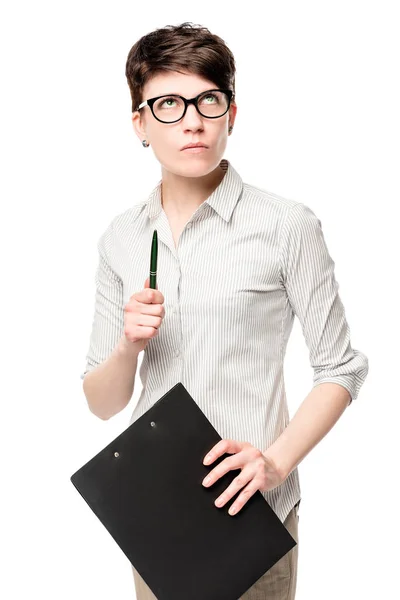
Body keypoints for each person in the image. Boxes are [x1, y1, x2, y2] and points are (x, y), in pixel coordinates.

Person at [81, 21, 369, 600]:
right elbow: (101, 402)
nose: (192, 120)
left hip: (250, 507)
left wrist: (275, 463)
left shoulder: (287, 226)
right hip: (156, 507)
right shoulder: (121, 237)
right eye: (167, 103)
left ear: (231, 113)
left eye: (208, 100)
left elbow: (341, 369)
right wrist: (127, 348)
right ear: (139, 122)